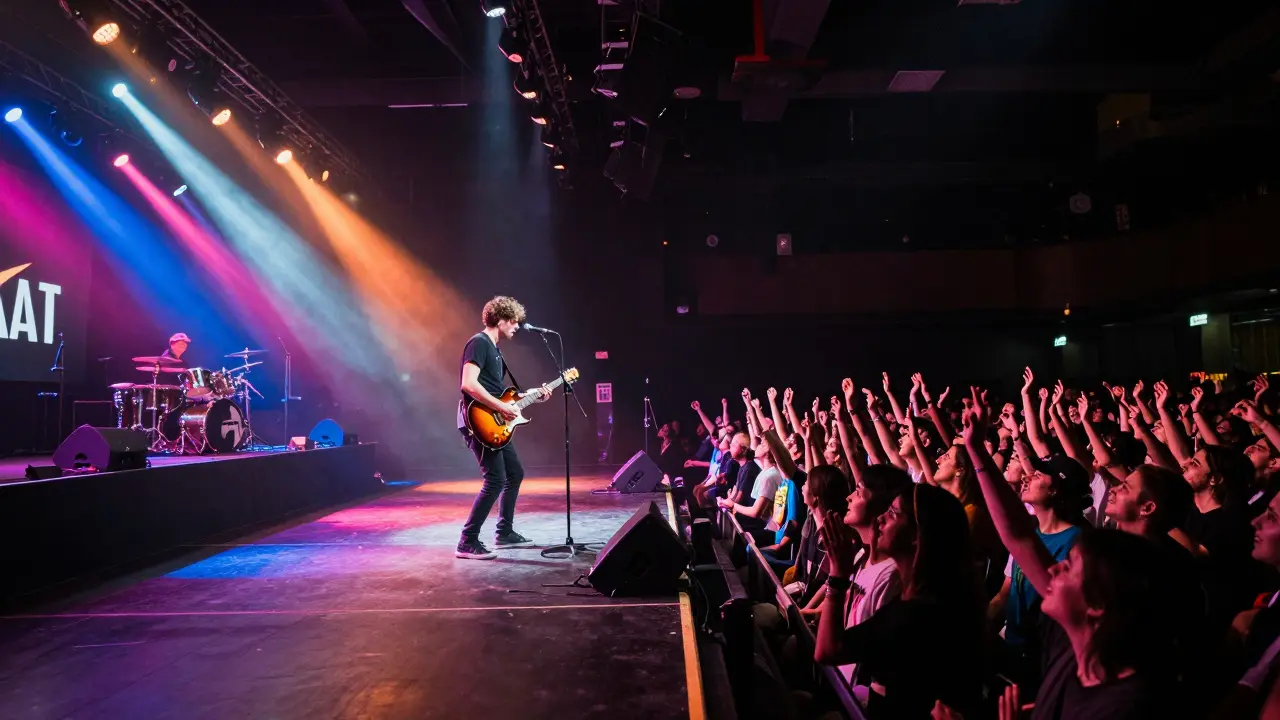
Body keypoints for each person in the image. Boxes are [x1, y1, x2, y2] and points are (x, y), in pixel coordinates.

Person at [455, 296, 551, 560]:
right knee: (495, 479)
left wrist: (531, 395)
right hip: (479, 422)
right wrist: (499, 406)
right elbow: (469, 384)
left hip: (494, 421)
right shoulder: (479, 343)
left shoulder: (495, 350)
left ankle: (504, 533)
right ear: (500, 319)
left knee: (514, 474)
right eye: (513, 321)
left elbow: (501, 392)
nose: (517, 326)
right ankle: (467, 541)